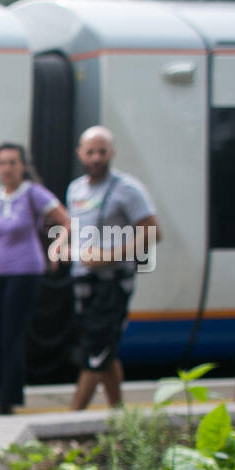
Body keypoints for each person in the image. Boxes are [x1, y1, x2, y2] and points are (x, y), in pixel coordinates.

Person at [54, 126, 161, 410]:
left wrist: (111, 255)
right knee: (105, 350)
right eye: (90, 152)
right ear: (80, 154)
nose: (96, 157)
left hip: (112, 283)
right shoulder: (75, 189)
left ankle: (72, 418)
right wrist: (63, 247)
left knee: (95, 352)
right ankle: (120, 416)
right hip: (83, 282)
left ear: (111, 153)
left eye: (102, 151)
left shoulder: (128, 189)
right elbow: (76, 227)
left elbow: (153, 232)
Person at [0, 143, 70, 419]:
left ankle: (6, 400)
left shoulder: (33, 194)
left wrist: (56, 248)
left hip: (25, 271)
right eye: (2, 163)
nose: (7, 168)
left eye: (13, 162)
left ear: (23, 165)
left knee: (11, 334)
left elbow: (66, 221)